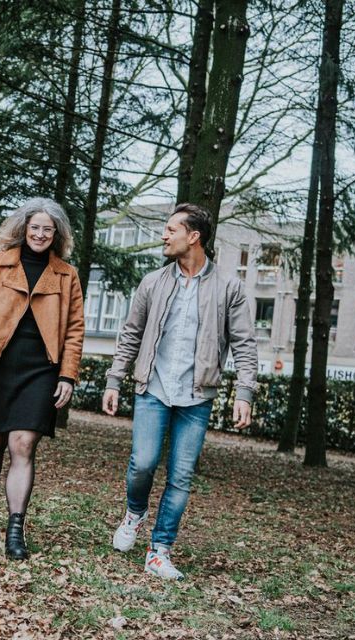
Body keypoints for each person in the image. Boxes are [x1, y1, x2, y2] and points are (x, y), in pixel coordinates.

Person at [102, 203, 257, 579]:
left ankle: (159, 551)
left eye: (171, 229)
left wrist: (244, 392)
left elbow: (244, 343)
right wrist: (114, 380)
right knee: (143, 463)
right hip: (152, 388)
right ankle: (134, 512)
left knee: (181, 476)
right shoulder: (153, 282)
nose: (164, 235)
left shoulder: (229, 287)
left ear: (194, 236)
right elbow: (131, 335)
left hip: (196, 396)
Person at [0, 198, 85, 560]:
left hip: (40, 368)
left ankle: (15, 529)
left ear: (57, 234)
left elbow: (74, 329)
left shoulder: (66, 274)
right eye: (35, 227)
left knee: (23, 444)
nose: (40, 234)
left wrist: (68, 375)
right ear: (24, 229)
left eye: (48, 229)